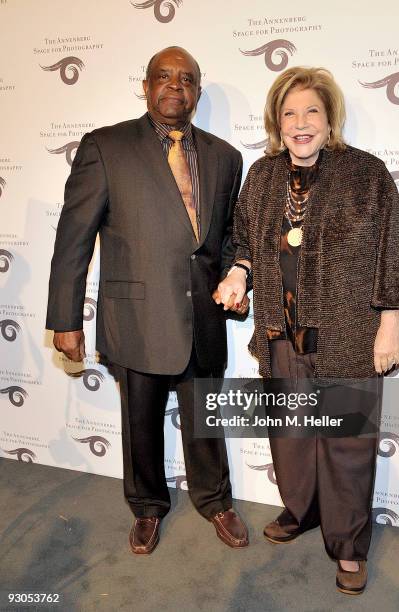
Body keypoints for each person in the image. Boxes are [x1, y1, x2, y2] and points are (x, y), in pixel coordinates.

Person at [216, 67, 399, 594]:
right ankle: (301, 510)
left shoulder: (367, 174)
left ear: (330, 120)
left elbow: (390, 254)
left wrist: (389, 327)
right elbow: (243, 241)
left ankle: (348, 546)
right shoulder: (262, 176)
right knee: (291, 437)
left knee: (347, 444)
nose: (300, 123)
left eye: (311, 112)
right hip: (281, 335)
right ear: (275, 122)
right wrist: (239, 274)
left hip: (350, 335)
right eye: (289, 113)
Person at [46, 46, 249, 554]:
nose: (175, 86)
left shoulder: (226, 157)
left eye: (187, 79)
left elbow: (225, 240)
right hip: (134, 317)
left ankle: (216, 500)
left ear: (198, 93)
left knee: (205, 419)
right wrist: (65, 320)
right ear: (146, 85)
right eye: (164, 76)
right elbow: (74, 239)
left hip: (203, 316)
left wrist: (236, 281)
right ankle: (147, 507)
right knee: (140, 423)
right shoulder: (105, 146)